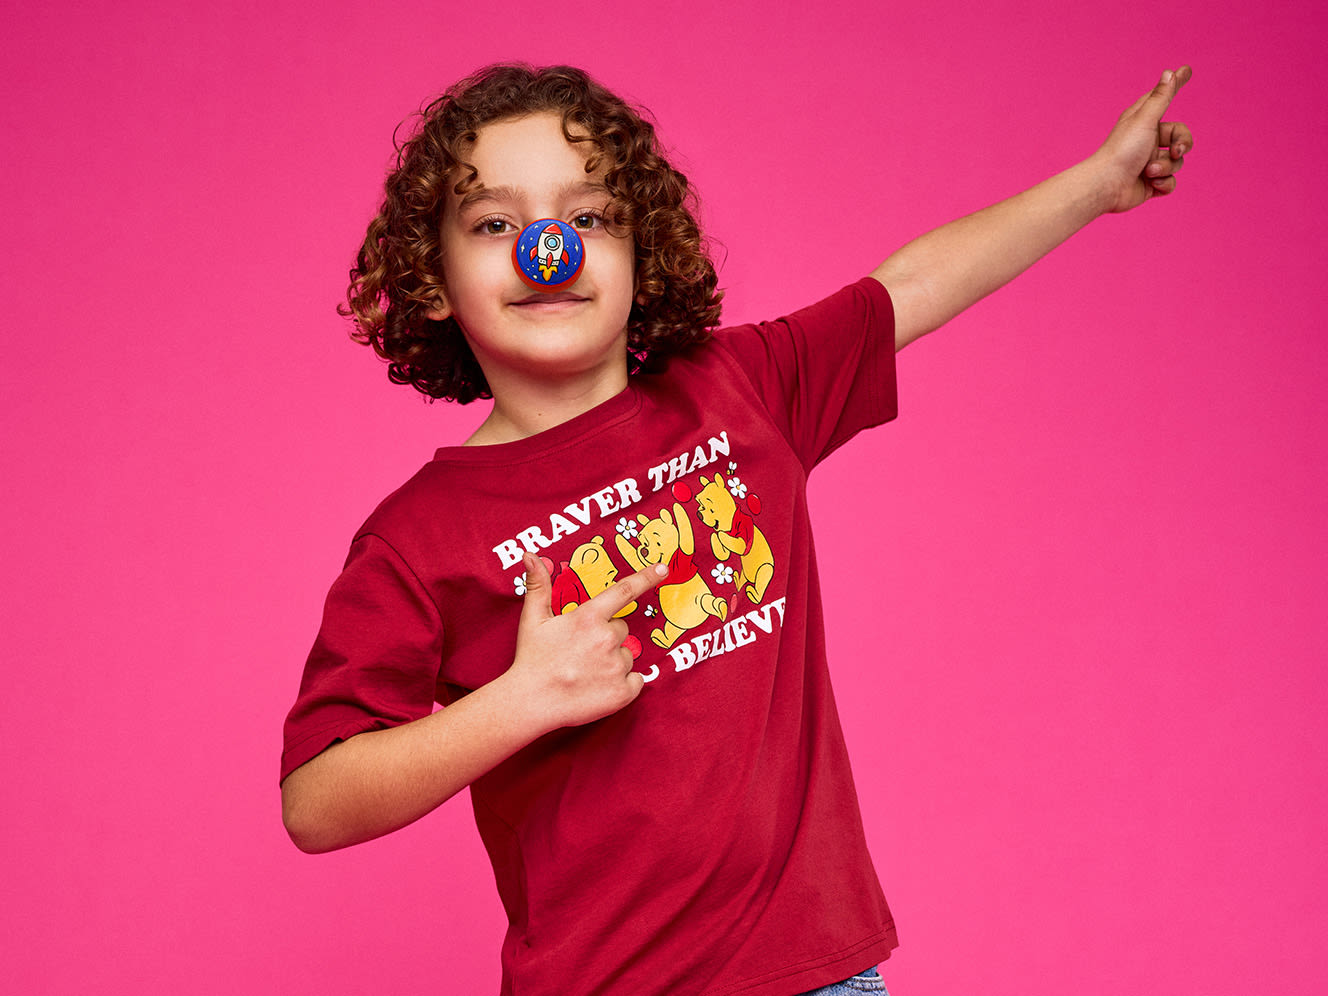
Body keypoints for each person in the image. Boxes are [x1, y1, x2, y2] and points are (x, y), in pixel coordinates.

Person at [280, 63, 1193, 996]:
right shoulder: (418, 537)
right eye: (493, 224)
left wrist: (1098, 183)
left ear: (643, 255)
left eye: (588, 217)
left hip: (817, 977)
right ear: (432, 280)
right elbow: (316, 800)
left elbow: (910, 283)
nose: (548, 248)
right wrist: (522, 700)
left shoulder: (740, 391)